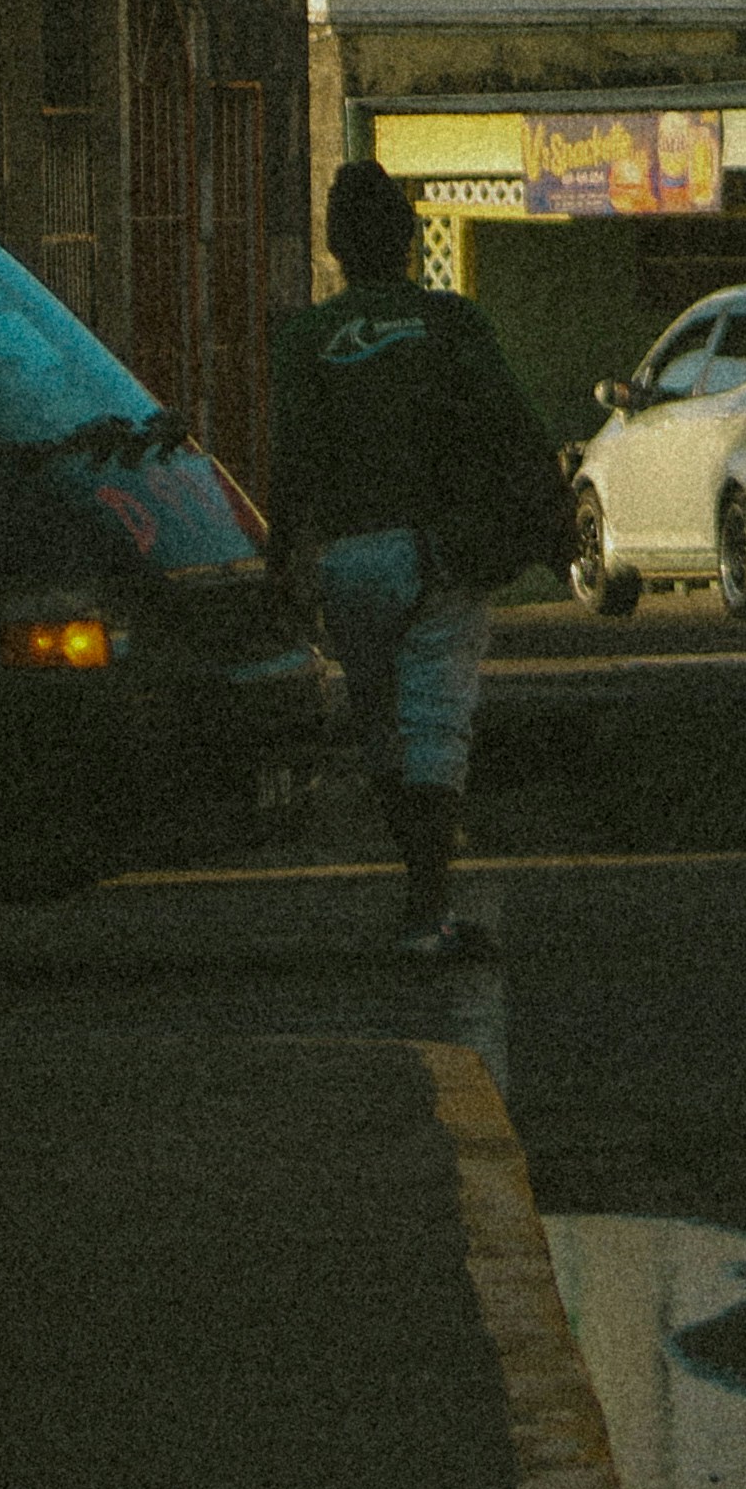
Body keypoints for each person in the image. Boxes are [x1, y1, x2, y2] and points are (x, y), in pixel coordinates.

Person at [266, 163, 558, 955]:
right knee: (437, 729)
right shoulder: (452, 324)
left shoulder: (304, 338)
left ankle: (418, 901)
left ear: (333, 244)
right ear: (408, 238)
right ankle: (426, 913)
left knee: (383, 735)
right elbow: (518, 432)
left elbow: (288, 467)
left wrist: (279, 567)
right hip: (438, 557)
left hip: (346, 562)